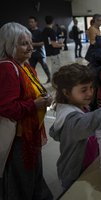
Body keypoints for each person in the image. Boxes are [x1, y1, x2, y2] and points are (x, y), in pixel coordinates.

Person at [0, 22, 53, 200]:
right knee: (22, 181)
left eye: (30, 42)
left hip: (30, 133)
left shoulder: (24, 65)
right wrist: (35, 105)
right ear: (9, 45)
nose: (31, 47)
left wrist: (45, 99)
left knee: (33, 174)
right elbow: (7, 108)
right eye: (24, 44)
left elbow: (34, 91)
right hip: (18, 138)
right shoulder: (8, 68)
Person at [27, 16, 51, 84]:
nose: (30, 23)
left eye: (32, 22)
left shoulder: (40, 32)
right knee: (31, 69)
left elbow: (43, 42)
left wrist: (34, 44)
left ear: (36, 22)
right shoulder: (27, 32)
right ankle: (33, 81)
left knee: (45, 66)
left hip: (40, 53)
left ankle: (50, 78)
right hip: (32, 54)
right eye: (29, 22)